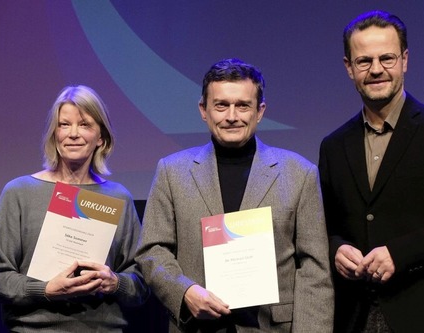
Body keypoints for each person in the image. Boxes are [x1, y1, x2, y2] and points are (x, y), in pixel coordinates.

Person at [135, 58, 334, 332]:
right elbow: (152, 251)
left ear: (260, 111)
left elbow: (314, 271)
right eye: (221, 105)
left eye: (243, 105)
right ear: (203, 110)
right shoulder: (172, 171)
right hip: (197, 327)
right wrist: (185, 292)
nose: (232, 116)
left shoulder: (299, 173)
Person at [318, 10, 424, 333]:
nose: (376, 69)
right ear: (349, 68)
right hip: (354, 316)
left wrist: (400, 252)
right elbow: (324, 225)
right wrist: (336, 249)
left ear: (405, 60)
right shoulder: (334, 145)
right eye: (364, 61)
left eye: (387, 58)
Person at [0, 85, 149, 332]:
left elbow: (141, 284)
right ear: (54, 134)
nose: (73, 134)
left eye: (85, 124)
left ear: (101, 138)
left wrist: (115, 283)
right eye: (64, 125)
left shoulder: (119, 198)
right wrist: (45, 290)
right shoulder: (19, 192)